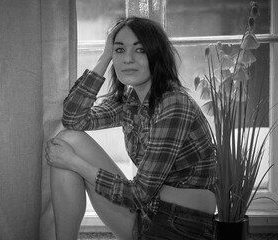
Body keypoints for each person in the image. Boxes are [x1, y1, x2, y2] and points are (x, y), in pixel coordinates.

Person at [45, 16, 217, 240]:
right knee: (67, 139)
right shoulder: (131, 101)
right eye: (119, 50)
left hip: (180, 226)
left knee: (68, 154)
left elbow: (139, 195)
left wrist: (74, 163)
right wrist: (106, 55)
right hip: (148, 213)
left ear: (157, 55)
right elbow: (73, 118)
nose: (127, 59)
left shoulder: (173, 104)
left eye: (140, 50)